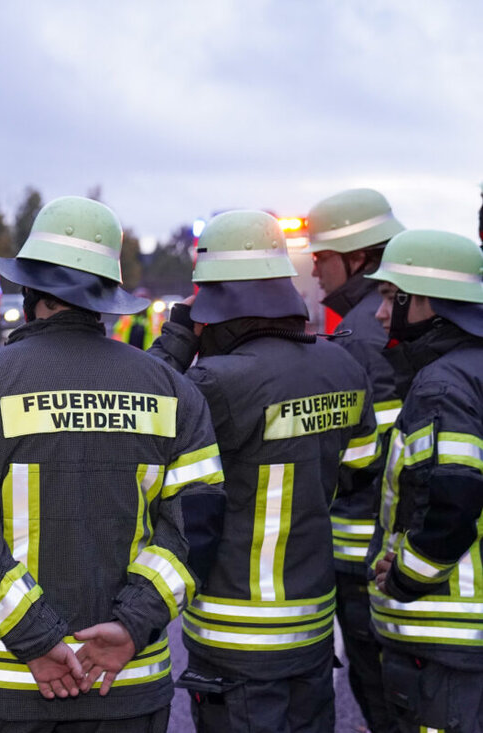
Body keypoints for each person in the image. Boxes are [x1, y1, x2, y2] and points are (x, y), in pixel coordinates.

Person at [0, 196, 227, 732]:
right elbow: (196, 528)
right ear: (104, 298)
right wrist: (131, 624)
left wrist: (35, 636)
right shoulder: (171, 390)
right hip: (123, 685)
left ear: (29, 290)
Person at [148, 210, 380, 733]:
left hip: (235, 636)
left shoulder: (216, 381)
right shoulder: (343, 367)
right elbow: (360, 471)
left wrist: (178, 338)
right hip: (313, 624)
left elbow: (134, 434)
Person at [364, 229, 483, 732]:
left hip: (446, 635)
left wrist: (406, 574)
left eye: (391, 296)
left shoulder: (442, 385)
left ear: (425, 301)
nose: (379, 313)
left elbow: (454, 502)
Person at [306, 187, 405, 732]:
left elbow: (362, 456)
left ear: (359, 257)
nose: (315, 270)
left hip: (364, 548)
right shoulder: (383, 319)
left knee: (383, 696)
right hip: (387, 544)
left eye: (322, 257)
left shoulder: (361, 335)